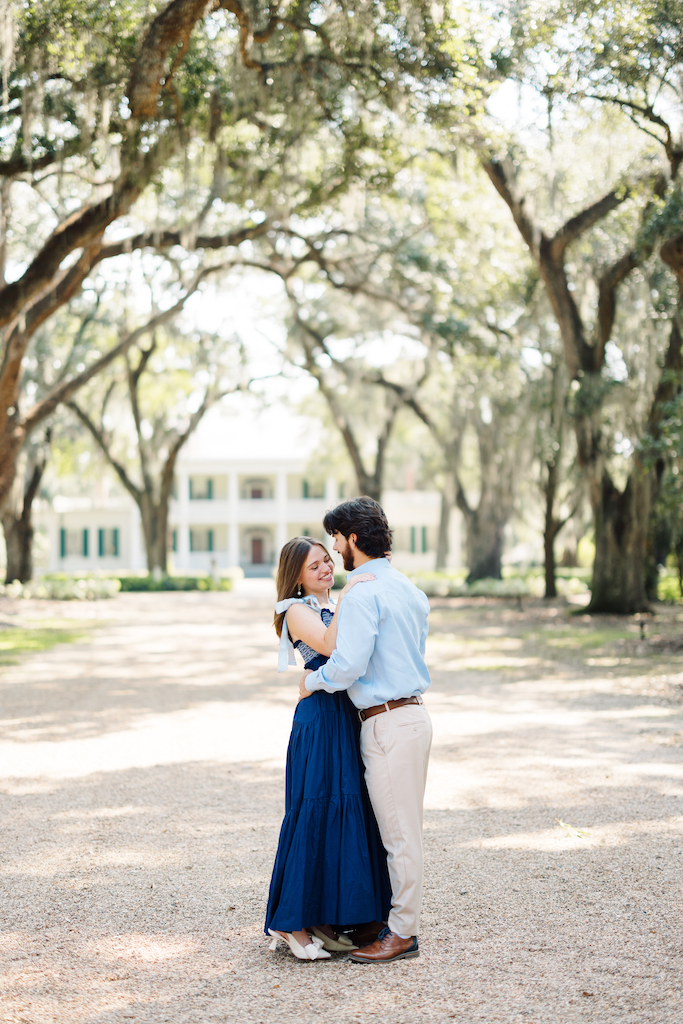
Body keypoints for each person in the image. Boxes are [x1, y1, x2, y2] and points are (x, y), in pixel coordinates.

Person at [299, 497, 432, 965]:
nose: (334, 550)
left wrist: (310, 681)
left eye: (336, 539)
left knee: (398, 836)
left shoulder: (363, 592)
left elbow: (348, 665)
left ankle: (402, 933)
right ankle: (394, 921)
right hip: (413, 716)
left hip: (386, 721)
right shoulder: (408, 589)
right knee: (402, 829)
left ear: (353, 538)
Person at [265, 535, 391, 961]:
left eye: (326, 560)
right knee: (314, 808)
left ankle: (334, 915)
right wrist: (352, 590)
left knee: (348, 808)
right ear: (296, 577)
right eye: (313, 565)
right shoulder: (296, 610)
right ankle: (289, 922)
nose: (324, 568)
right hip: (319, 718)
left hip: (344, 716)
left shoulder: (332, 606)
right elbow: (331, 646)